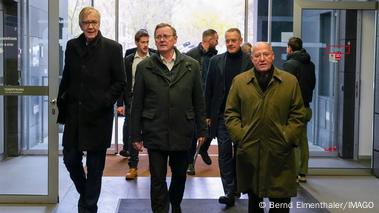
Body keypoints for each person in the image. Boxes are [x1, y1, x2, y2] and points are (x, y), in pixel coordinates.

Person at [130, 23, 207, 213]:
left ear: (175, 39)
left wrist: (202, 129)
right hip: (155, 129)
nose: (162, 40)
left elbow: (198, 99)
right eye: (158, 37)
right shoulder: (145, 67)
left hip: (183, 130)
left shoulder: (192, 65)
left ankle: (176, 204)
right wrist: (135, 134)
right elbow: (137, 102)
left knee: (180, 175)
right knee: (157, 178)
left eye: (166, 36)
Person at [57, 7, 126, 213]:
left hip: (98, 117)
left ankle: (88, 208)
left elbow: (120, 82)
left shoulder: (113, 48)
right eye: (86, 22)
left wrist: (104, 101)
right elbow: (67, 77)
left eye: (94, 22)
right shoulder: (72, 46)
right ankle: (86, 193)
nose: (90, 26)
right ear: (80, 25)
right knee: (70, 159)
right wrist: (62, 103)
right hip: (74, 115)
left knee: (95, 169)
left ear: (99, 23)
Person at [224, 42, 306, 213]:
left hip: (280, 153)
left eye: (266, 54)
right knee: (255, 202)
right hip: (250, 153)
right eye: (257, 55)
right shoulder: (240, 82)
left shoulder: (289, 82)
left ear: (273, 56)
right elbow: (231, 113)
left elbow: (298, 114)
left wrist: (287, 137)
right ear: (252, 58)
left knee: (280, 204)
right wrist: (241, 137)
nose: (262, 59)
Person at [205, 28, 253, 206]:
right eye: (228, 40)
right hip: (222, 116)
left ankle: (240, 186)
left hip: (245, 118)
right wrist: (207, 114)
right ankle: (230, 191)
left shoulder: (250, 61)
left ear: (240, 40)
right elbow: (208, 89)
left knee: (242, 154)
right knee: (224, 154)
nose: (231, 43)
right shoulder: (215, 61)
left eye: (234, 40)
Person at [116, 29, 155, 180]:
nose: (145, 45)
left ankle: (154, 166)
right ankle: (133, 167)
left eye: (147, 42)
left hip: (152, 99)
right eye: (142, 42)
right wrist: (120, 103)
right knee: (134, 133)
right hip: (133, 100)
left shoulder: (155, 57)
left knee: (152, 132)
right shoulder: (129, 60)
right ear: (136, 43)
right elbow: (123, 83)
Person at [185, 29, 218, 175]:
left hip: (210, 98)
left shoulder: (215, 57)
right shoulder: (191, 55)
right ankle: (190, 163)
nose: (217, 43)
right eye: (216, 40)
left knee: (211, 129)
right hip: (193, 100)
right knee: (193, 134)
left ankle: (203, 149)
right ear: (209, 40)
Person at [283, 37, 316, 183]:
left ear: (290, 48)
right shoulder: (311, 65)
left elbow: (286, 87)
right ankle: (303, 173)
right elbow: (312, 84)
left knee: (293, 140)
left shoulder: (290, 64)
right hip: (306, 107)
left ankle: (294, 173)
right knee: (303, 140)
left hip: (294, 108)